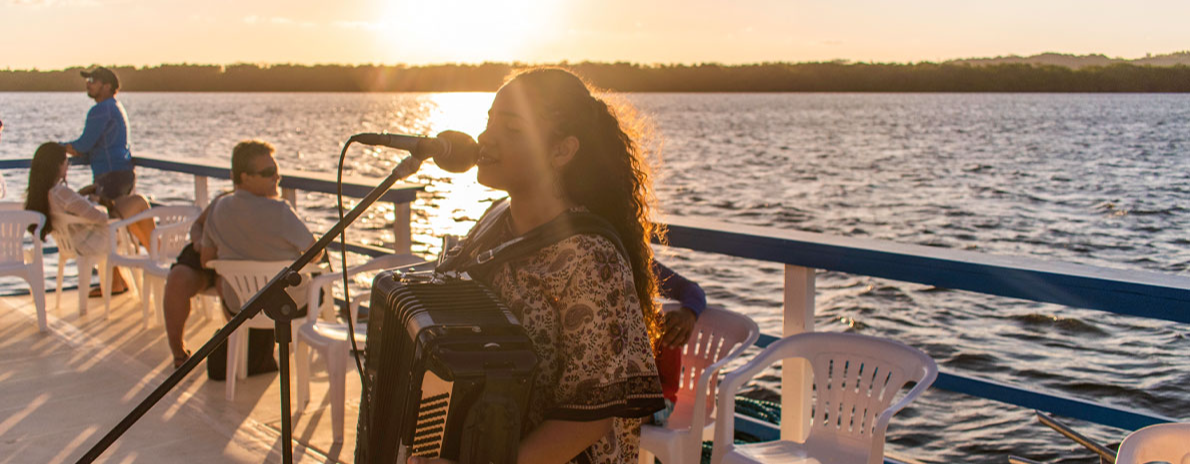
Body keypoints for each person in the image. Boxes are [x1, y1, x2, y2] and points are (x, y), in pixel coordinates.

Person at [418, 68, 666, 464]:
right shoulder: (494, 222)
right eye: (489, 121)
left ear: (562, 151)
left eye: (512, 127)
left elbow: (590, 420)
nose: (485, 137)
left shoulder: (590, 257)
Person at [23, 142, 151, 294]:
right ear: (57, 166)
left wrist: (82, 195)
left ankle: (126, 275)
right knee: (140, 201)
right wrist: (96, 202)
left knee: (126, 203)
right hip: (94, 240)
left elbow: (70, 207)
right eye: (66, 161)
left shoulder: (43, 194)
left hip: (75, 240)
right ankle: (155, 255)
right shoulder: (61, 192)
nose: (68, 165)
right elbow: (101, 217)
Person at [161, 191, 228, 368]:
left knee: (228, 285)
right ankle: (178, 352)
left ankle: (238, 349)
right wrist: (199, 241)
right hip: (202, 255)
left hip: (232, 261)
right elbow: (197, 224)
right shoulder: (222, 201)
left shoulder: (269, 207)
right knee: (177, 279)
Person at [61, 67, 137, 208]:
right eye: (87, 80)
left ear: (107, 86)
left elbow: (83, 145)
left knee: (103, 222)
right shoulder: (116, 106)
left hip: (111, 177)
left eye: (93, 81)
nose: (88, 84)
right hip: (124, 173)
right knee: (118, 221)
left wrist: (57, 147)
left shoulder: (101, 110)